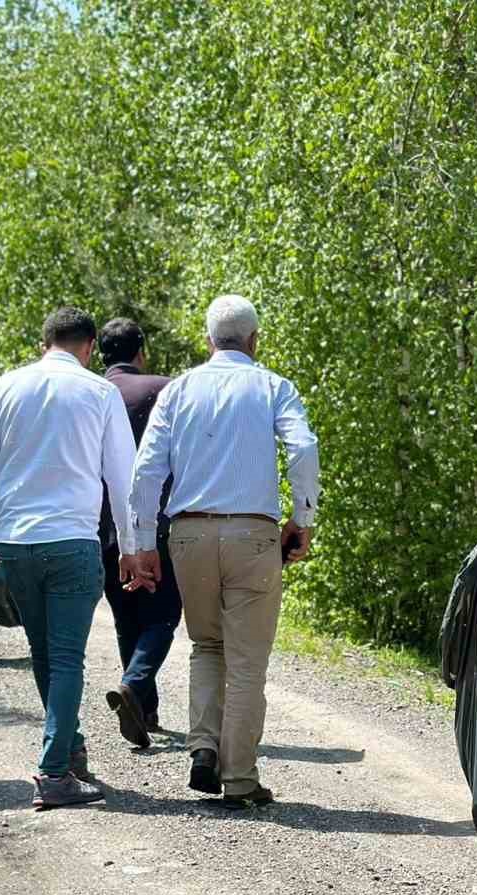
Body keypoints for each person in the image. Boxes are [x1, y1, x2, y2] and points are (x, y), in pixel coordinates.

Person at [129, 295, 319, 809]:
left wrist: (142, 542)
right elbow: (302, 448)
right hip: (252, 536)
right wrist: (302, 519)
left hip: (187, 535)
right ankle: (238, 777)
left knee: (206, 645)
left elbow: (147, 469)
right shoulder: (274, 387)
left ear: (208, 339)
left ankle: (202, 748)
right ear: (254, 340)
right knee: (247, 661)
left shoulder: (180, 389)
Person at [0, 307, 150, 810]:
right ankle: (54, 772)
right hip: (72, 539)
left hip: (16, 543)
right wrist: (132, 549)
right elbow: (122, 478)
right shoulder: (99, 393)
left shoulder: (5, 387)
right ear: (89, 346)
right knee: (66, 658)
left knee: (45, 654)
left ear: (43, 341)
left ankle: (69, 750)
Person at [96, 318, 181, 748]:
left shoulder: (90, 392)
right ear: (140, 351)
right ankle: (135, 686)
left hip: (99, 524)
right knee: (165, 613)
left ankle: (144, 708)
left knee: (125, 615)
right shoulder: (164, 388)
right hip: (157, 520)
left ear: (99, 352)